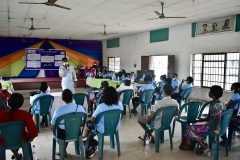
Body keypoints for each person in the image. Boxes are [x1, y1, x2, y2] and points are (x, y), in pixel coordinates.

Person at [180, 85, 225, 156]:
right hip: (210, 124)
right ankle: (203, 144)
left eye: (210, 92)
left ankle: (204, 148)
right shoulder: (218, 102)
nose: (208, 93)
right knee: (193, 126)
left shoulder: (217, 105)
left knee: (190, 129)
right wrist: (199, 121)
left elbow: (218, 119)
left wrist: (215, 134)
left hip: (212, 127)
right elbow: (211, 117)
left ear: (213, 95)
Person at [82, 87, 123, 151]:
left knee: (88, 124)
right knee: (95, 125)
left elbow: (93, 120)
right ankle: (88, 139)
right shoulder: (120, 104)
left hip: (102, 129)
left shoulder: (101, 106)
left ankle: (85, 139)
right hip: (115, 127)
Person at [0, 93, 38, 160]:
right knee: (22, 139)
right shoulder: (24, 114)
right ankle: (18, 154)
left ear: (8, 102)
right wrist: (29, 139)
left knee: (8, 136)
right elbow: (33, 131)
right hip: (22, 140)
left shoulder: (1, 115)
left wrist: (1, 142)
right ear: (21, 103)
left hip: (5, 142)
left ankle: (16, 154)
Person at [51, 89, 86, 158]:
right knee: (68, 129)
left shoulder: (59, 110)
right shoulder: (80, 108)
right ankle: (64, 150)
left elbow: (53, 126)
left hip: (63, 134)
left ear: (63, 99)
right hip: (76, 132)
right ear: (73, 97)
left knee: (59, 131)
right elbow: (82, 123)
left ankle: (63, 151)